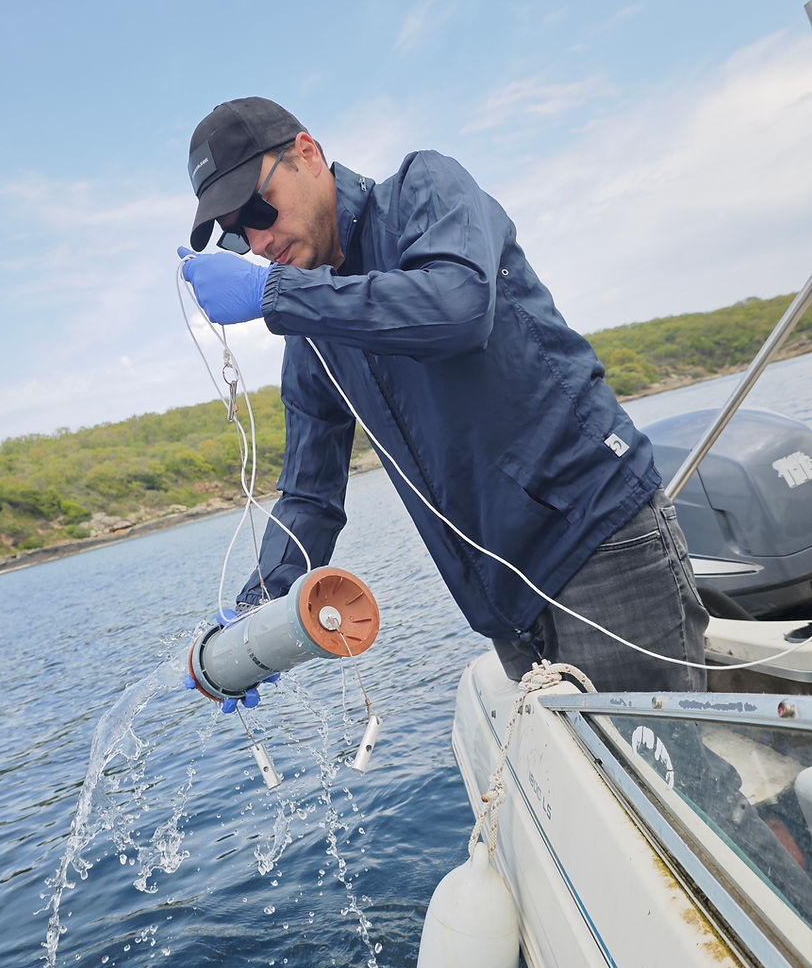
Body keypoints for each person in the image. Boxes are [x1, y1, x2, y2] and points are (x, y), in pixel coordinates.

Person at [178, 96, 709, 695]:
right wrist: (260, 616)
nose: (257, 240)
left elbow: (458, 307)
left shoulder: (423, 189)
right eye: (234, 235)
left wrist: (277, 294)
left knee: (653, 757)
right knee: (578, 760)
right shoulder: (310, 333)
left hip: (600, 543)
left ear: (307, 154)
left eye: (258, 207)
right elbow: (310, 496)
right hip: (504, 605)